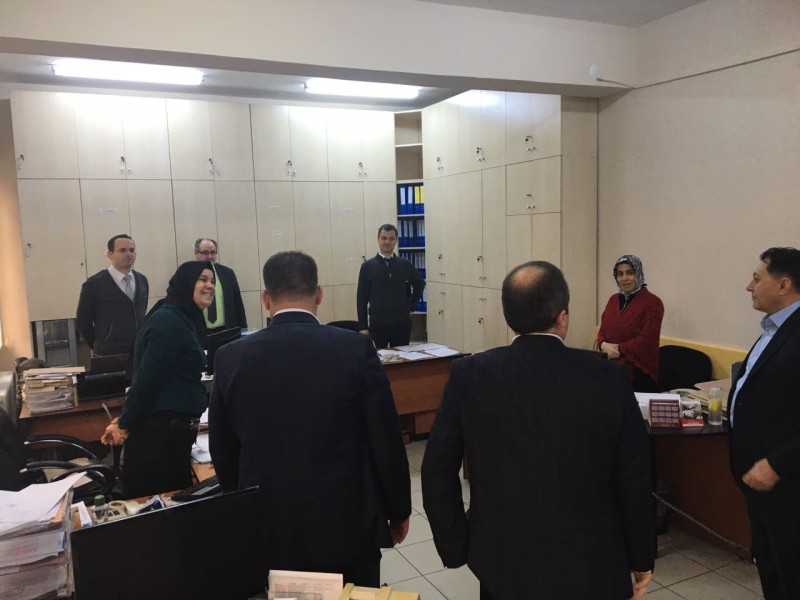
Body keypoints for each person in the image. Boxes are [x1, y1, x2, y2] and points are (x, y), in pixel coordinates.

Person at [422, 261, 655, 600]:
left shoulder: (470, 375)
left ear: (508, 317)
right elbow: (634, 476)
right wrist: (641, 555)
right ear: (563, 317)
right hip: (592, 558)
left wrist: (457, 545)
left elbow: (437, 469)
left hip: (502, 558)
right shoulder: (608, 378)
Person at [209, 251, 411, 586]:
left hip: (268, 521)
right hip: (346, 521)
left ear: (265, 299)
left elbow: (223, 448)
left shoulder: (230, 357)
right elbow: (385, 438)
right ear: (319, 294)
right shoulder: (355, 349)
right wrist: (398, 508)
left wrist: (242, 507)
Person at [101, 261, 215, 498]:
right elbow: (147, 380)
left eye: (212, 281)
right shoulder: (169, 321)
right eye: (202, 279)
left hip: (172, 433)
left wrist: (124, 420)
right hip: (159, 439)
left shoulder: (184, 317)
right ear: (186, 284)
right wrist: (124, 423)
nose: (209, 286)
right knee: (163, 504)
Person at [728, 247, 800, 600]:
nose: (749, 286)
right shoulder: (773, 329)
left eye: (757, 279)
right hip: (760, 482)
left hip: (787, 484)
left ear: (784, 285)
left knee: (791, 576)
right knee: (771, 571)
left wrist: (776, 464)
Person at [597, 254, 664, 392]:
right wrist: (603, 344)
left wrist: (617, 350)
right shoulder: (613, 300)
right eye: (620, 274)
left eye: (630, 273)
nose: (624, 278)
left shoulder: (653, 303)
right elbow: (603, 330)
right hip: (611, 369)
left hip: (639, 373)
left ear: (638, 273)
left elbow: (645, 339)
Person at [76, 234, 149, 360]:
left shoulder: (142, 280)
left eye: (132, 250)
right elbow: (83, 321)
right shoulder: (94, 284)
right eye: (122, 250)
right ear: (110, 255)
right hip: (108, 353)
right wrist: (100, 344)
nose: (129, 254)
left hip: (138, 351)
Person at [357, 224, 425, 348]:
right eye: (384, 238)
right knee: (378, 357)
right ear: (378, 239)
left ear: (396, 240)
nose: (387, 242)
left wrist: (411, 307)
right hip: (378, 324)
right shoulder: (367, 266)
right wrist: (363, 327)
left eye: (391, 239)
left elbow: (420, 284)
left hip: (401, 324)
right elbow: (361, 299)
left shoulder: (405, 264)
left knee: (402, 358)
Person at [194, 238, 248, 335]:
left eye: (213, 252)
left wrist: (243, 329)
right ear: (196, 253)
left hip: (226, 331)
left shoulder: (227, 273)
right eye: (205, 253)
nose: (209, 256)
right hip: (199, 332)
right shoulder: (189, 275)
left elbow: (237, 304)